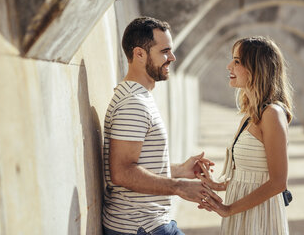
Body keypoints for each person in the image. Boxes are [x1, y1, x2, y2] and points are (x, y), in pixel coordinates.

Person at [102, 17, 220, 235]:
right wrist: (179, 187)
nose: (172, 58)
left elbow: (138, 164)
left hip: (151, 224)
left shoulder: (140, 97)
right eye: (164, 51)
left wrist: (179, 171)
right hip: (140, 227)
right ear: (139, 54)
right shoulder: (133, 104)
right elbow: (121, 172)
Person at [196, 36, 293, 235]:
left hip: (260, 217)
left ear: (256, 68)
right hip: (241, 214)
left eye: (237, 61)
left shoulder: (272, 114)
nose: (229, 66)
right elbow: (249, 177)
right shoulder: (250, 115)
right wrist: (216, 184)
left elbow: (278, 182)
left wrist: (228, 209)